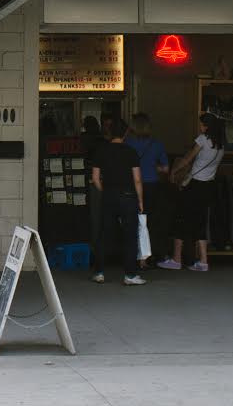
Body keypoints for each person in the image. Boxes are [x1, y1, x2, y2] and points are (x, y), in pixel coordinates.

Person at [89, 115, 147, 285]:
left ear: (109, 132)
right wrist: (140, 200)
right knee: (130, 235)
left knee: (104, 234)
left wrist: (105, 190)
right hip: (128, 197)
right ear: (126, 133)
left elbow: (95, 178)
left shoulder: (101, 151)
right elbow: (137, 179)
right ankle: (130, 275)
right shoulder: (131, 152)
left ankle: (99, 272)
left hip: (109, 196)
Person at [167, 113, 224, 273]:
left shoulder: (202, 139)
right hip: (208, 186)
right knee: (200, 221)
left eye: (201, 124)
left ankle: (176, 259)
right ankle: (203, 261)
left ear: (206, 126)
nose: (199, 127)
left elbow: (188, 159)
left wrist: (174, 171)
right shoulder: (221, 145)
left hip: (195, 184)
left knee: (181, 218)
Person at [126, 113, 171, 277]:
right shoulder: (156, 144)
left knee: (134, 221)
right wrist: (153, 167)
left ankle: (135, 258)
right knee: (149, 222)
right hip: (152, 186)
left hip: (131, 185)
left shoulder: (128, 143)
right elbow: (166, 169)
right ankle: (147, 257)